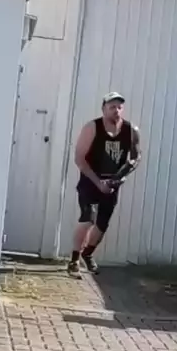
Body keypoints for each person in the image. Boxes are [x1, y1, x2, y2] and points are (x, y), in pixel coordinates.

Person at [67, 92, 141, 277]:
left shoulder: (130, 130)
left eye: (119, 107)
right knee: (88, 218)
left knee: (102, 223)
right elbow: (79, 158)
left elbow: (136, 157)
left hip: (112, 183)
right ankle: (74, 259)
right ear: (103, 108)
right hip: (91, 180)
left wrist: (122, 175)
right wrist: (97, 182)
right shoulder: (92, 127)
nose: (116, 110)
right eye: (112, 107)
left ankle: (88, 254)